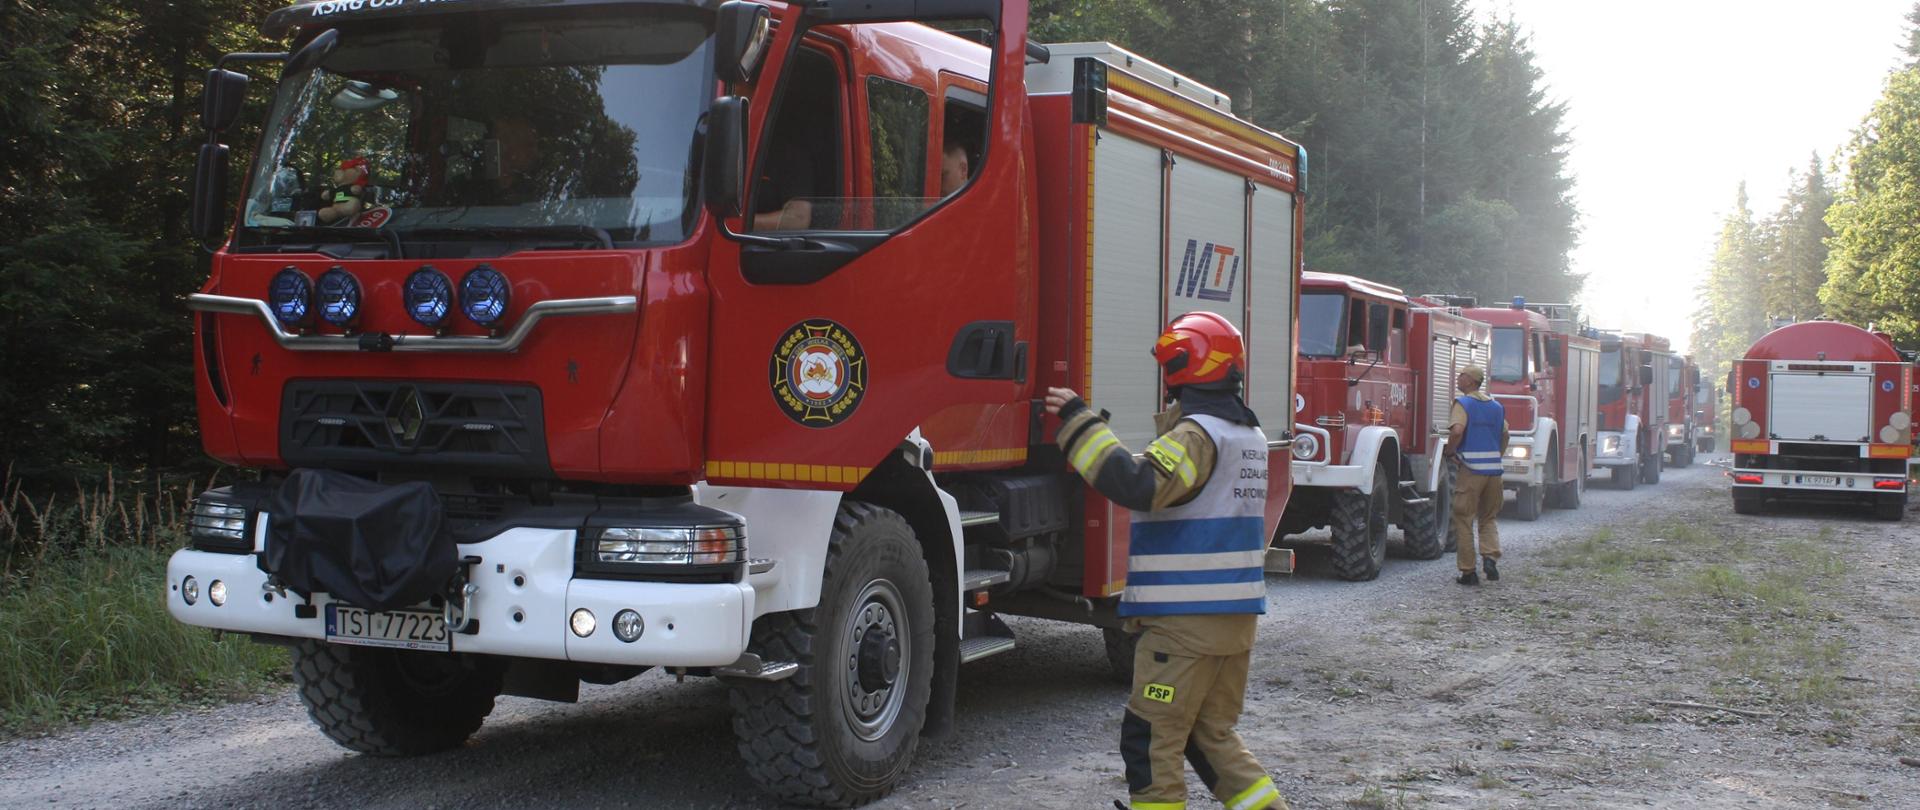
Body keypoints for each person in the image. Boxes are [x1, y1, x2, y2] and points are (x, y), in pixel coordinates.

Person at [1043, 312, 1287, 810]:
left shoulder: (1198, 435)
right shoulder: (1248, 436)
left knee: (1149, 740)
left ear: (1183, 365)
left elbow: (1137, 486)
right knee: (1207, 736)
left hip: (1185, 625)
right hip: (1232, 621)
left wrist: (1079, 424)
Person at [1447, 365, 1509, 585]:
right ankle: (1490, 557)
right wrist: (1496, 456)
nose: (1458, 378)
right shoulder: (1496, 406)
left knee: (1463, 518)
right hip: (1494, 473)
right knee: (1488, 517)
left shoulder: (1463, 403)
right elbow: (1504, 434)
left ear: (1471, 381)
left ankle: (1468, 572)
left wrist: (1450, 451)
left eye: (1462, 375)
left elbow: (1456, 431)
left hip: (1471, 470)